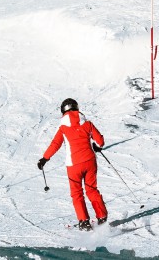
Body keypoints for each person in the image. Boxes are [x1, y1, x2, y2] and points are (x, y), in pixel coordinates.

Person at [37, 98, 108, 231]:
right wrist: (97, 146)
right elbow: (100, 141)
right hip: (90, 161)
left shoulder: (63, 128)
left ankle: (84, 221)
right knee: (92, 189)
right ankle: (102, 216)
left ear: (63, 111)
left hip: (74, 164)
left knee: (77, 193)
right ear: (77, 108)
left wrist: (44, 159)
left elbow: (55, 144)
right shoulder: (87, 123)